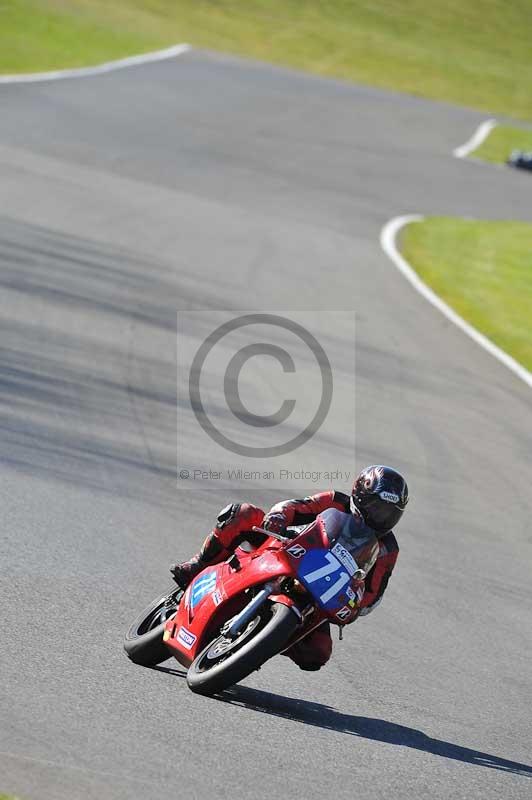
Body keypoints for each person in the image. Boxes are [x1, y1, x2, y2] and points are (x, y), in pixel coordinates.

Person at [171, 465, 408, 671]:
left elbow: (372, 595)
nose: (381, 517)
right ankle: (198, 564)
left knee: (318, 653)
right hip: (285, 549)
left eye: (388, 514)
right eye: (377, 508)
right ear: (361, 495)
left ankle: (261, 642)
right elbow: (295, 506)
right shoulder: (336, 501)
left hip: (322, 592)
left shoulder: (388, 548)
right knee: (242, 514)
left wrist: (355, 602)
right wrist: (279, 516)